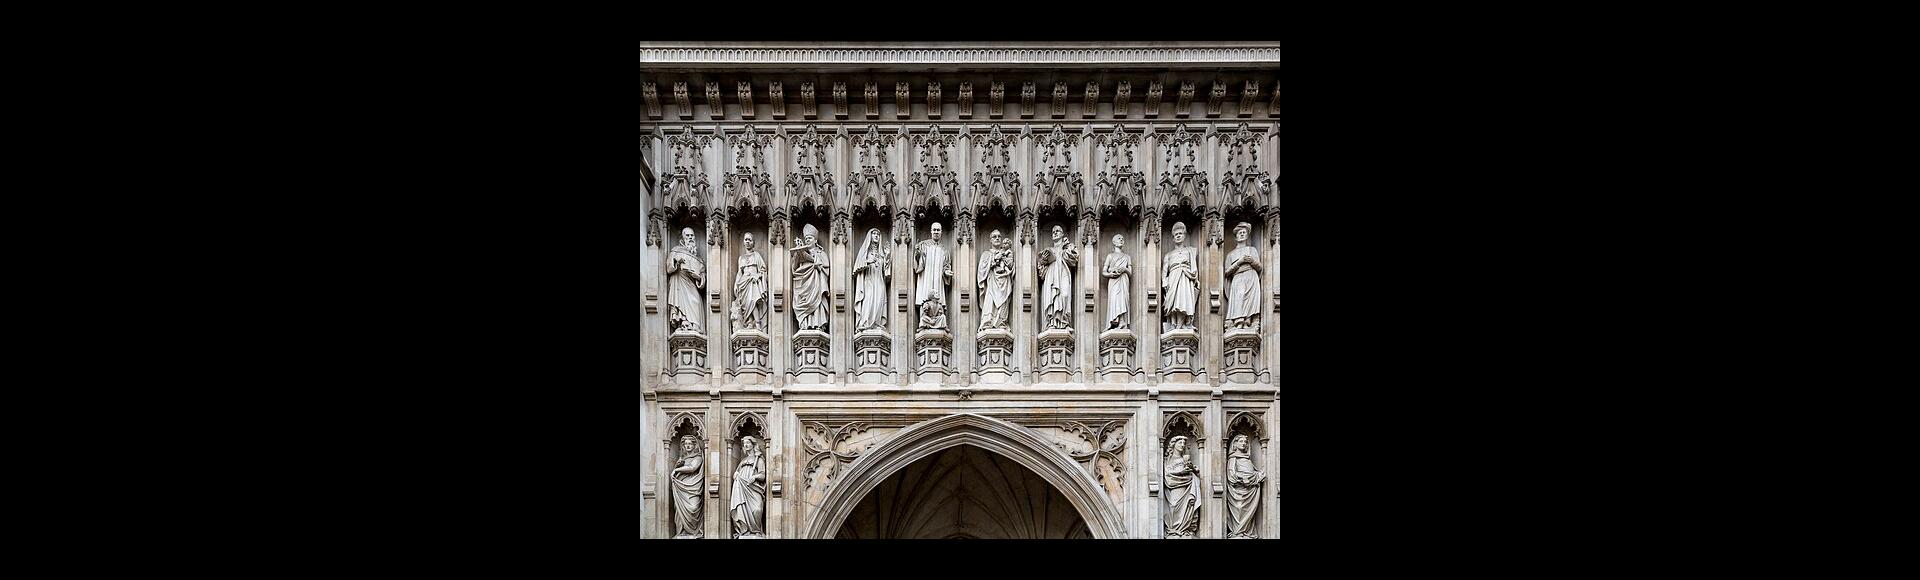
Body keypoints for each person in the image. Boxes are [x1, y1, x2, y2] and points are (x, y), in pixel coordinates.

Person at [913, 223, 953, 330]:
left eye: (938, 230)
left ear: (941, 232)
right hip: (926, 278)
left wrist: (946, 272)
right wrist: (917, 253)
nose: (936, 232)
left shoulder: (945, 250)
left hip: (938, 280)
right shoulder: (924, 245)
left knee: (938, 296)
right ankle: (923, 321)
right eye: (934, 230)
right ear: (931, 231)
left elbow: (946, 266)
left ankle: (940, 321)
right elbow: (917, 264)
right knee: (925, 296)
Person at [1038, 224, 1078, 330]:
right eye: (1053, 232)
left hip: (1062, 272)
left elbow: (1074, 260)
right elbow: (1041, 269)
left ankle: (1064, 322)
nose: (1055, 233)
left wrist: (1065, 248)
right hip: (1051, 275)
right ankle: (1052, 322)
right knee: (1051, 297)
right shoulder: (1049, 249)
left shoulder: (1068, 246)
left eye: (1058, 231)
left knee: (1064, 294)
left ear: (1062, 234)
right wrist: (1043, 260)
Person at [1224, 222, 1263, 331]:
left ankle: (1248, 321)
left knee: (1249, 301)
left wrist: (1252, 261)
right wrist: (1239, 262)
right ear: (1236, 237)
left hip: (1251, 277)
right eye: (1240, 233)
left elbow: (1260, 267)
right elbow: (1227, 272)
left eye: (1244, 233)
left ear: (1247, 235)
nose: (1242, 234)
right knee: (1240, 297)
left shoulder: (1252, 250)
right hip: (1238, 278)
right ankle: (1238, 321)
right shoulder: (1231, 254)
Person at [791, 224, 830, 332]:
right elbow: (794, 270)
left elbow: (826, 270)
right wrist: (797, 255)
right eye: (806, 238)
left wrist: (818, 267)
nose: (807, 240)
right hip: (804, 284)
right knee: (802, 300)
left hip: (816, 284)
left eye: (810, 238)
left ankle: (818, 324)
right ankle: (805, 324)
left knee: (817, 302)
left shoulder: (821, 253)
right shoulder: (802, 253)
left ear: (815, 240)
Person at [667, 228, 706, 334]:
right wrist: (676, 262)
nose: (690, 238)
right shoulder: (676, 251)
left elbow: (703, 276)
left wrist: (697, 277)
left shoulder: (698, 258)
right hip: (680, 283)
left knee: (697, 302)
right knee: (682, 304)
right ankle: (684, 323)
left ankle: (695, 326)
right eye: (687, 236)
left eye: (692, 236)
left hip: (692, 284)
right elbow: (669, 268)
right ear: (683, 238)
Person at [1225, 434, 1265, 538]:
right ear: (1235, 444)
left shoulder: (1247, 459)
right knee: (1239, 508)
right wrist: (1243, 480)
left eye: (1245, 442)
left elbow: (1253, 473)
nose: (1243, 444)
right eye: (1241, 441)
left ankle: (1246, 532)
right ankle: (1237, 532)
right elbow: (1231, 476)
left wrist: (1258, 476)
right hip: (1238, 491)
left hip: (1250, 491)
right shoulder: (1233, 459)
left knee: (1249, 513)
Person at [1161, 222, 1198, 332]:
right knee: (1172, 302)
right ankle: (1173, 324)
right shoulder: (1169, 255)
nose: (1178, 236)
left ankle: (1180, 325)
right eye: (1176, 234)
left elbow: (1194, 268)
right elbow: (1164, 271)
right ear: (1173, 238)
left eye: (1180, 234)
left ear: (1184, 236)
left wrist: (1195, 278)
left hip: (1185, 277)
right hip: (1173, 277)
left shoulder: (1189, 251)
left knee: (1183, 300)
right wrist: (1164, 282)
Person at [1163, 435, 1201, 537]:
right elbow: (1167, 474)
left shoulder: (1185, 459)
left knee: (1188, 506)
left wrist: (1192, 469)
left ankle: (1184, 529)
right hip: (1175, 486)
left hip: (1187, 487)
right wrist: (1181, 472)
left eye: (1184, 443)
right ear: (1173, 445)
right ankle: (1174, 530)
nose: (1182, 445)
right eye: (1180, 443)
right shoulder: (1167, 459)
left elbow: (1192, 472)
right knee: (1174, 506)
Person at [852, 228, 890, 331]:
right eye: (874, 233)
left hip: (879, 281)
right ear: (870, 236)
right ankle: (865, 323)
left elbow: (886, 272)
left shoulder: (881, 253)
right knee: (868, 300)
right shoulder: (865, 252)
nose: (876, 235)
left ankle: (876, 323)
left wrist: (887, 256)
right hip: (868, 281)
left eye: (878, 234)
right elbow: (857, 268)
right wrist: (868, 262)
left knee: (879, 302)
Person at [976, 230, 1014, 331]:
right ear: (990, 240)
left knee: (1003, 302)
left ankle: (1001, 321)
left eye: (999, 236)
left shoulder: (1006, 253)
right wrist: (993, 261)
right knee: (990, 300)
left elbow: (1011, 266)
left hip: (1004, 281)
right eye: (994, 237)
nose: (997, 238)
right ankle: (988, 321)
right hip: (992, 281)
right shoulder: (986, 254)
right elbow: (981, 270)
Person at [730, 436, 766, 538]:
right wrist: (736, 474)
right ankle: (744, 531)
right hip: (741, 487)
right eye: (744, 443)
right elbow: (736, 472)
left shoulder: (758, 459)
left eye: (748, 443)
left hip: (753, 488)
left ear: (753, 445)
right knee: (741, 509)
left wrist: (754, 477)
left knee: (757, 509)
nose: (746, 445)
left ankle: (756, 531)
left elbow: (762, 475)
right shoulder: (743, 460)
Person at [732, 233, 767, 332]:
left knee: (753, 301)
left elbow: (763, 270)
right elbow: (739, 272)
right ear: (743, 242)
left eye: (750, 240)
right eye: (746, 240)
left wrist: (757, 275)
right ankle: (749, 322)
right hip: (743, 282)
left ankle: (758, 323)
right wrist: (736, 284)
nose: (747, 241)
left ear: (753, 243)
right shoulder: (741, 258)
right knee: (745, 303)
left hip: (753, 281)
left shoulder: (757, 255)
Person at [671, 435, 704, 538]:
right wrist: (678, 465)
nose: (688, 446)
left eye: (690, 444)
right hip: (681, 488)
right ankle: (682, 532)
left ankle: (694, 532)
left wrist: (676, 470)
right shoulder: (683, 458)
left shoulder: (698, 457)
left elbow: (692, 468)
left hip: (693, 487)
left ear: (694, 445)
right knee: (680, 510)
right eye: (686, 444)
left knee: (693, 508)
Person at [1102, 233, 1132, 330]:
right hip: (1113, 280)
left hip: (1123, 279)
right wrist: (1110, 274)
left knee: (1123, 299)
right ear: (1114, 242)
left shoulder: (1127, 257)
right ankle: (1115, 321)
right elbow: (1104, 272)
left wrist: (1124, 269)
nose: (1121, 240)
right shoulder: (1110, 256)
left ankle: (1123, 322)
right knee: (1115, 299)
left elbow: (1130, 272)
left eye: (1122, 238)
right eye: (1119, 238)